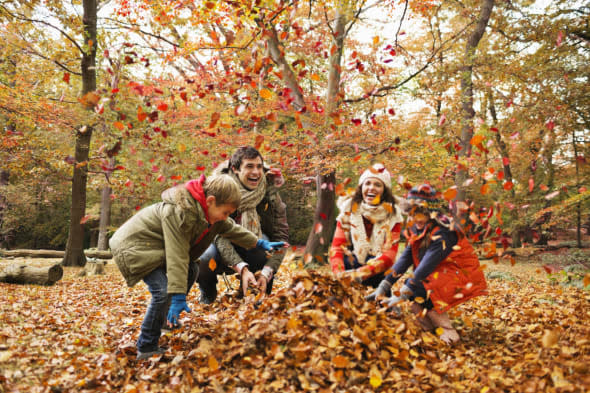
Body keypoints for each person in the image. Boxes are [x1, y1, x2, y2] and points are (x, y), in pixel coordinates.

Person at [109, 174, 285, 360]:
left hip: (154, 248)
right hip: (135, 247)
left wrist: (258, 243)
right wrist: (177, 295)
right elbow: (177, 255)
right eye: (225, 212)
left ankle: (166, 321)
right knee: (163, 292)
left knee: (192, 270)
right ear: (210, 201)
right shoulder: (179, 213)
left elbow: (232, 229)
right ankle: (146, 346)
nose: (226, 217)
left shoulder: (211, 216)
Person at [366, 184, 487, 344]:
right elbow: (405, 258)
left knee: (421, 287)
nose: (418, 218)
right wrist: (384, 285)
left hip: (460, 274)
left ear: (432, 213)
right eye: (413, 212)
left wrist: (400, 295)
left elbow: (425, 267)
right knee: (416, 299)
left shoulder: (444, 232)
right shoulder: (417, 229)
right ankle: (431, 331)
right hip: (442, 272)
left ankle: (449, 334)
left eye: (422, 213)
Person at [196, 146, 289, 304]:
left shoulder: (270, 193)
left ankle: (256, 289)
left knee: (266, 248)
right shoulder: (218, 191)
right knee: (204, 257)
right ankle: (208, 290)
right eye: (249, 166)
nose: (256, 172)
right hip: (219, 245)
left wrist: (267, 272)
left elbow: (281, 237)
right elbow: (218, 235)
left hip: (254, 245)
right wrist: (241, 268)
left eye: (259, 166)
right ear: (235, 169)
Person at [329, 163, 404, 287]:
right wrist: (339, 274)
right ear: (361, 187)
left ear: (384, 191)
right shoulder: (348, 210)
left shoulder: (393, 215)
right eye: (367, 183)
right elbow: (337, 247)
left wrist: (360, 274)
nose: (371, 188)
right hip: (348, 271)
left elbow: (390, 255)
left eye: (378, 185)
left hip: (377, 275)